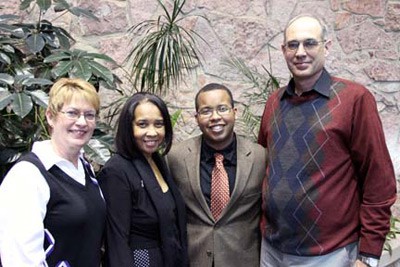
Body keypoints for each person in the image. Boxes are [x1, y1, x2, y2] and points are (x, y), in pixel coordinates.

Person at [257, 14, 397, 267]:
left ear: (327, 47)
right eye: (293, 45)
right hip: (272, 251)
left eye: (310, 43)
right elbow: (265, 169)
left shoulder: (355, 100)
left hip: (330, 255)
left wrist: (368, 256)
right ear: (283, 50)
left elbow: (380, 182)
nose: (300, 52)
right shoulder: (274, 103)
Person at [0, 78, 106, 267]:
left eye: (89, 115)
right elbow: (20, 260)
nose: (82, 122)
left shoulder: (84, 169)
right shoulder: (27, 176)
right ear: (50, 116)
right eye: (72, 113)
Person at [167, 83, 267, 267]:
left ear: (234, 111)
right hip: (193, 260)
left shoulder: (260, 157)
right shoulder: (176, 158)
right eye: (206, 111)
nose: (215, 117)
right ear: (196, 118)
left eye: (222, 109)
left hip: (243, 260)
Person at [97, 92, 188, 267]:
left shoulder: (157, 161)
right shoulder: (116, 171)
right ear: (128, 127)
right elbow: (117, 241)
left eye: (159, 124)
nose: (152, 132)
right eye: (142, 124)